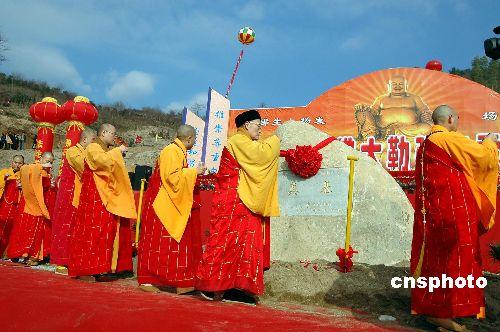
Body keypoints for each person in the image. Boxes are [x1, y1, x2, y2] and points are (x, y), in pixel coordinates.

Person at [411, 105, 498, 331]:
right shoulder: (446, 139)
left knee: (437, 262)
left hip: (434, 215)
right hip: (453, 214)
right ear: (450, 119)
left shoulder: (426, 144)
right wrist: (489, 141)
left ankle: (436, 310)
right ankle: (442, 313)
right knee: (454, 261)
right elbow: (484, 158)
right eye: (456, 120)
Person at [195, 110, 280, 304]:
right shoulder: (238, 141)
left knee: (244, 245)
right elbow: (262, 156)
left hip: (241, 199)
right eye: (258, 125)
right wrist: (276, 140)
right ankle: (212, 286)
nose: (260, 129)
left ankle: (234, 287)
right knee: (226, 244)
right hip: (232, 201)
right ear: (247, 124)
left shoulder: (245, 142)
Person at [137, 125, 206, 294]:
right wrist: (194, 172)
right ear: (189, 138)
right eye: (194, 139)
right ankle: (147, 280)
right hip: (161, 205)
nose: (195, 142)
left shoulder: (178, 151)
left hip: (169, 202)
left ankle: (178, 281)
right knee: (158, 244)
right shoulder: (171, 151)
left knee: (172, 245)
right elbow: (172, 178)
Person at [69, 124, 137, 281]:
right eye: (112, 133)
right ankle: (86, 269)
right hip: (94, 197)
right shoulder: (93, 147)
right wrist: (117, 152)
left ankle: (100, 268)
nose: (114, 136)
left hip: (103, 196)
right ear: (104, 133)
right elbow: (101, 163)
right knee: (92, 232)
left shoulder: (103, 149)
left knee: (104, 233)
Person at [50, 129, 96, 274]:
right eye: (93, 140)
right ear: (84, 140)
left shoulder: (85, 152)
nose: (94, 144)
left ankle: (72, 260)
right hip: (68, 196)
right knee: (65, 227)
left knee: (76, 229)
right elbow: (83, 167)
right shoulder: (73, 151)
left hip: (79, 194)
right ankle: (61, 263)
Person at [7, 152, 54, 265]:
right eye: (47, 161)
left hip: (42, 205)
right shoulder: (32, 168)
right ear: (41, 158)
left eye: (51, 162)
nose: (49, 164)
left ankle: (33, 256)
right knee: (24, 228)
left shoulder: (47, 174)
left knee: (38, 231)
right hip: (30, 204)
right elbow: (24, 170)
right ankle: (21, 253)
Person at [355, 75, 432, 140]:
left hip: (409, 129)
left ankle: (395, 132)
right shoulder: (381, 99)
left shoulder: (414, 98)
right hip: (382, 129)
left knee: (427, 128)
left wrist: (428, 121)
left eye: (401, 84)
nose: (397, 86)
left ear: (406, 86)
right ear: (389, 86)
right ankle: (372, 136)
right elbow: (373, 112)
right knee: (362, 112)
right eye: (394, 84)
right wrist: (364, 107)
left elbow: (424, 111)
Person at [0, 155, 24, 256]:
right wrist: (4, 180)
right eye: (15, 162)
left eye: (20, 163)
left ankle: (6, 253)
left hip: (15, 206)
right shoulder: (3, 172)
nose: (17, 165)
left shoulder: (23, 175)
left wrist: (22, 187)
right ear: (12, 162)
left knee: (11, 229)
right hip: (3, 204)